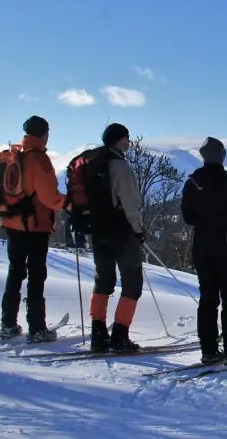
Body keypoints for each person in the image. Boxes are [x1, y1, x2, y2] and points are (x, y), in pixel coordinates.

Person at [180, 137, 227, 366]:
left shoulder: (192, 183)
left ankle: (208, 351)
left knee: (207, 299)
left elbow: (188, 217)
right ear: (221, 156)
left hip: (202, 247)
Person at [0, 115, 69, 342]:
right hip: (35, 226)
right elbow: (49, 197)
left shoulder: (13, 156)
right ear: (44, 134)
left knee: (15, 271)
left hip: (12, 223)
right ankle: (37, 328)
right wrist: (66, 203)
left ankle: (8, 323)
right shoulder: (39, 160)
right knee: (36, 275)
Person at [87, 123, 144, 353]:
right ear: (119, 140)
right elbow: (131, 205)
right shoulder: (121, 167)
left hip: (98, 230)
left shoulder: (93, 164)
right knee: (132, 283)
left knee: (103, 281)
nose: (129, 142)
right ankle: (120, 335)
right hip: (122, 232)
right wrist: (139, 230)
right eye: (127, 139)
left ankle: (98, 333)